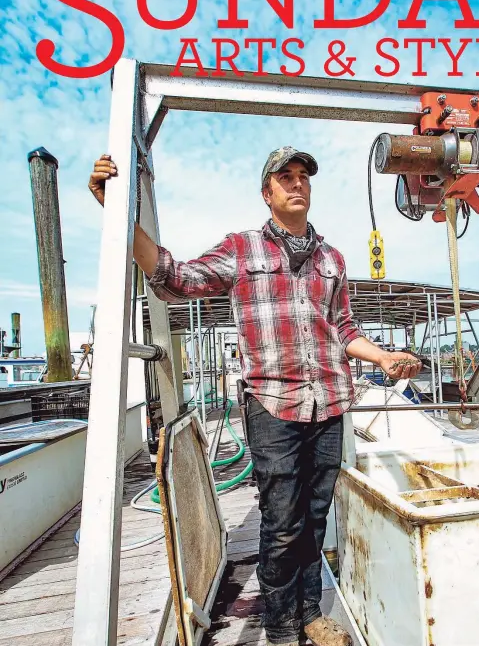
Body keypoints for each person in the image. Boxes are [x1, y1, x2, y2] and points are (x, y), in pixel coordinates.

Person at [89, 147, 422, 646]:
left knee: (314, 515)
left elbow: (344, 328)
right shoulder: (241, 250)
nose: (297, 184)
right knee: (282, 520)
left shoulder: (333, 259)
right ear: (267, 194)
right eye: (284, 177)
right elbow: (174, 278)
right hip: (272, 404)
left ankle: (309, 611)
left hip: (330, 401)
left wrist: (382, 358)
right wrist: (117, 210)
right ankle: (282, 628)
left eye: (303, 177)